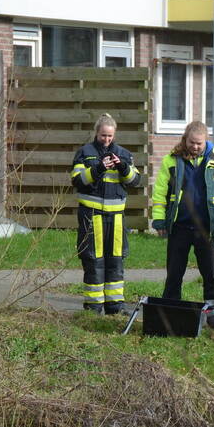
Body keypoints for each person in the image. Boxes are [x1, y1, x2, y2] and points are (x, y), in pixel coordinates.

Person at [150, 120, 214, 330]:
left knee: (210, 274)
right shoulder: (172, 160)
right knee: (174, 274)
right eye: (191, 142)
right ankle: (171, 316)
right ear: (185, 138)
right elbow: (160, 193)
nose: (195, 147)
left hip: (207, 228)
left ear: (206, 140)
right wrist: (159, 219)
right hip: (180, 226)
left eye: (199, 143)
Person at [71, 113, 141, 314]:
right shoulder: (85, 153)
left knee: (116, 260)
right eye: (103, 135)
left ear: (115, 134)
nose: (107, 139)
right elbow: (77, 180)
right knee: (93, 260)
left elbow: (135, 181)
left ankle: (115, 306)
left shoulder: (124, 154)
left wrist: (122, 167)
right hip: (91, 216)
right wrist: (98, 168)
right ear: (96, 133)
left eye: (110, 136)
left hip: (116, 217)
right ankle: (93, 306)